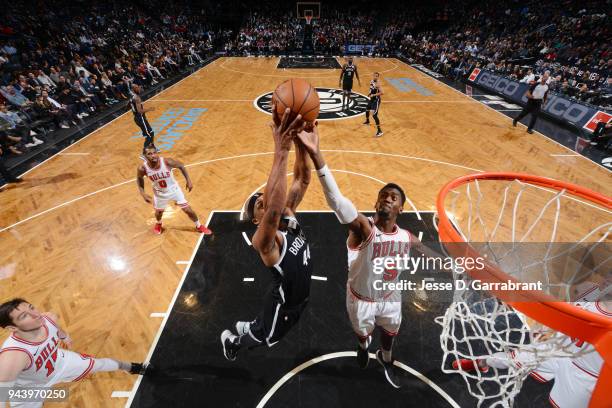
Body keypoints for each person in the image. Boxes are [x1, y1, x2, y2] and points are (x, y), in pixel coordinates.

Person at [296, 125, 434, 388]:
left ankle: (387, 355)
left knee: (391, 334)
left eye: (393, 198)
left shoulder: (406, 237)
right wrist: (317, 156)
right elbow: (337, 201)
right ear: (375, 204)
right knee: (363, 335)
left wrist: (461, 267)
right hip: (361, 299)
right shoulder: (364, 229)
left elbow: (430, 254)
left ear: (401, 208)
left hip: (390, 297)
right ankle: (363, 347)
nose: (386, 199)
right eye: (382, 196)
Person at [220, 108, 312, 360]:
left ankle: (250, 326)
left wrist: (300, 139)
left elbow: (303, 179)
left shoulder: (288, 214)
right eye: (260, 205)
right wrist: (281, 150)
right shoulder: (264, 242)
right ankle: (233, 343)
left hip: (296, 295)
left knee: (263, 325)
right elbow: (273, 208)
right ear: (256, 219)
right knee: (266, 337)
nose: (267, 201)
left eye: (265, 199)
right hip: (285, 304)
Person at [452, 299, 611, 408]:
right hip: (558, 349)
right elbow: (563, 314)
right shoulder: (590, 290)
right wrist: (548, 327)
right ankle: (481, 364)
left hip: (587, 374)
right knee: (509, 358)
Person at [0, 299, 150, 408]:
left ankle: (133, 367)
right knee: (55, 396)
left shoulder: (48, 319)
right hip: (31, 387)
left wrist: (65, 336)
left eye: (31, 307)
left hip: (60, 363)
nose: (35, 314)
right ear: (12, 328)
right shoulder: (12, 357)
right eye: (24, 316)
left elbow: (56, 329)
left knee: (100, 364)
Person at [136, 145, 212, 235]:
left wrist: (188, 180)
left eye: (154, 153)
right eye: (149, 154)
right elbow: (139, 179)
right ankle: (159, 223)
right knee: (159, 213)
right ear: (144, 156)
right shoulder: (142, 168)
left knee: (188, 210)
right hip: (160, 194)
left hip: (174, 191)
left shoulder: (167, 162)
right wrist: (142, 193)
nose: (153, 155)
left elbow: (181, 165)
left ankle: (199, 226)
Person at [130, 84, 155, 149]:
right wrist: (149, 109)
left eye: (138, 87)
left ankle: (152, 147)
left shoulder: (132, 97)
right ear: (133, 90)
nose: (138, 88)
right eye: (136, 88)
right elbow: (139, 111)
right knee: (149, 134)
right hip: (140, 118)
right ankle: (145, 152)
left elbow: (127, 105)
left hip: (138, 118)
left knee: (150, 133)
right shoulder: (137, 98)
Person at [363, 72, 383, 137]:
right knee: (367, 109)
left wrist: (373, 95)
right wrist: (369, 94)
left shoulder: (378, 84)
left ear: (378, 77)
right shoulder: (371, 81)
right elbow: (371, 89)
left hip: (376, 100)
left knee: (374, 115)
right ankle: (367, 121)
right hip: (372, 99)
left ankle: (380, 131)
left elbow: (382, 92)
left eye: (376, 76)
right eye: (374, 76)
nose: (375, 77)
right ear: (373, 76)